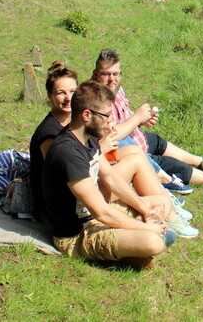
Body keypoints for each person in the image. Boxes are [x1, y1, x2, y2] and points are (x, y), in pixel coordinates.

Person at [30, 63, 194, 235]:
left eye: (72, 92)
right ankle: (164, 214)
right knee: (134, 161)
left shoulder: (77, 119)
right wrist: (101, 148)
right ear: (50, 96)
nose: (68, 98)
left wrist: (102, 147)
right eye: (61, 93)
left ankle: (165, 206)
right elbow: (66, 171)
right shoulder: (50, 134)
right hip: (71, 198)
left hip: (84, 179)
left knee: (135, 153)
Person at [42, 80, 181, 268]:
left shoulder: (87, 139)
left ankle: (134, 244)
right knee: (153, 242)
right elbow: (102, 212)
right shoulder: (68, 154)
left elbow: (112, 179)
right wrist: (147, 226)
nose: (111, 121)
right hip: (78, 234)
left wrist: (146, 211)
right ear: (86, 115)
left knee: (162, 201)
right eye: (107, 116)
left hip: (97, 215)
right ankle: (139, 245)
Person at [91, 49, 203, 191]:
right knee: (173, 165)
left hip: (135, 138)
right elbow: (111, 136)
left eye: (115, 74)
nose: (112, 79)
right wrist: (136, 118)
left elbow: (125, 117)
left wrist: (142, 120)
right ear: (95, 74)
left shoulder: (116, 89)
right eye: (106, 74)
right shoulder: (96, 99)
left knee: (157, 141)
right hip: (125, 151)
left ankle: (201, 161)